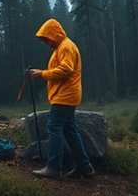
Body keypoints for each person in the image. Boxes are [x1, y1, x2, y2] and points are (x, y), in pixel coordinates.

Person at [27, 18, 94, 179]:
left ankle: (54, 167)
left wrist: (42, 74)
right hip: (66, 95)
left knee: (54, 127)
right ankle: (84, 166)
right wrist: (41, 72)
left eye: (46, 39)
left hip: (65, 95)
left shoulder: (66, 46)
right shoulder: (61, 47)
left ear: (54, 34)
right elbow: (61, 68)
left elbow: (66, 69)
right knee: (69, 130)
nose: (46, 42)